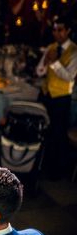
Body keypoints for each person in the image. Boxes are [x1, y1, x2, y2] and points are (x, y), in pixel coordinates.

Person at [35, 17, 77, 179]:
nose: (56, 33)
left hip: (61, 97)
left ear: (67, 31)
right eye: (54, 30)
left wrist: (54, 62)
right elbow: (39, 72)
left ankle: (55, 171)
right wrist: (45, 62)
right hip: (46, 94)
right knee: (43, 130)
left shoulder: (74, 51)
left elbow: (69, 76)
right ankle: (40, 164)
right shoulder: (51, 47)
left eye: (60, 30)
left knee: (57, 133)